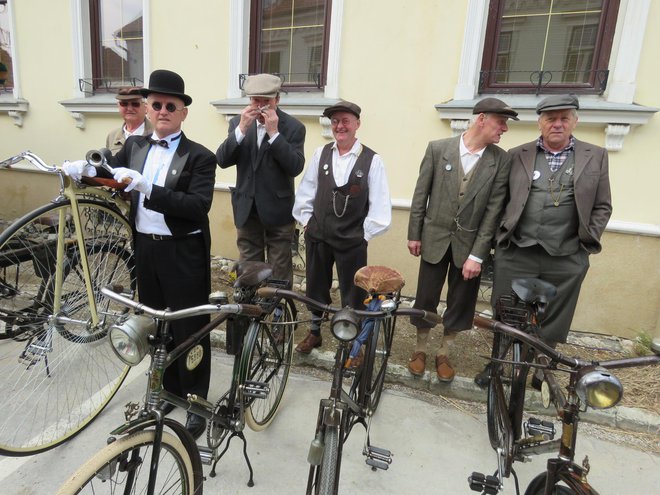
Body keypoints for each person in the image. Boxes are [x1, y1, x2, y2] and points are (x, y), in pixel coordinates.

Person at [63, 69, 217, 440]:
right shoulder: (136, 147)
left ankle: (196, 402)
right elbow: (111, 170)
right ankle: (168, 389)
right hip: (146, 249)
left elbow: (198, 207)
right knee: (156, 325)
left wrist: (150, 189)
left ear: (182, 113)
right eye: (156, 104)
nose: (162, 110)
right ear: (148, 110)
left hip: (184, 254)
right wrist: (84, 171)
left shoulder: (201, 157)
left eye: (171, 105)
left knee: (189, 329)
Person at [486, 94, 612, 385]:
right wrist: (498, 237)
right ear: (540, 122)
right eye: (550, 118)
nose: (557, 124)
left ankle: (543, 365)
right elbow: (499, 200)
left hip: (566, 254)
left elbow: (603, 205)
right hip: (518, 249)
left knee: (554, 316)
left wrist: (588, 239)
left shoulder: (596, 155)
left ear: (574, 121)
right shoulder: (517, 154)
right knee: (507, 310)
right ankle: (500, 364)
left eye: (564, 118)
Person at [407, 98, 517, 382]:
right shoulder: (438, 149)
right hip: (434, 238)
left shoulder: (500, 160)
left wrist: (479, 255)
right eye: (500, 122)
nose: (504, 128)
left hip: (468, 247)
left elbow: (493, 211)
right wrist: (414, 233)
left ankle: (444, 352)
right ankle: (420, 349)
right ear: (482, 119)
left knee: (460, 302)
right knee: (426, 297)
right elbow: (421, 195)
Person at [293, 101, 392, 353]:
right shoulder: (321, 154)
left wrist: (363, 235)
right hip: (319, 236)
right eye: (335, 121)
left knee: (354, 293)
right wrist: (307, 222)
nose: (340, 126)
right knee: (315, 287)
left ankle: (352, 344)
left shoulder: (372, 160)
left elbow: (380, 205)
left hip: (352, 241)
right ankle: (315, 331)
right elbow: (306, 192)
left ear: (357, 124)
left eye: (345, 121)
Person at [216, 73, 306, 286]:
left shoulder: (293, 127)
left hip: (278, 211)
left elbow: (295, 166)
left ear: (277, 100)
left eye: (267, 101)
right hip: (247, 209)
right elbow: (222, 159)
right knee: (248, 271)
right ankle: (250, 314)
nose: (261, 107)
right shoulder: (238, 123)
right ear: (249, 101)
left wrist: (274, 134)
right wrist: (240, 131)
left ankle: (278, 315)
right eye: (256, 101)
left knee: (279, 272)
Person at [105, 86, 153, 153]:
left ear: (146, 108)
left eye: (135, 104)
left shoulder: (156, 134)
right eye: (124, 104)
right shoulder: (112, 136)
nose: (130, 109)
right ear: (118, 106)